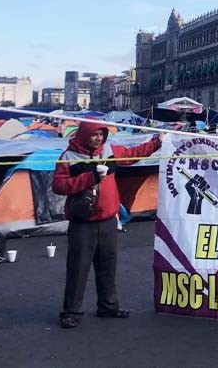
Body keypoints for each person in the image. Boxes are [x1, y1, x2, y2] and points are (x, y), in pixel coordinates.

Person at [52, 121, 162, 329]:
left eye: (102, 134)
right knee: (78, 269)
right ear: (84, 135)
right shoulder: (68, 157)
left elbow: (133, 154)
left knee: (107, 267)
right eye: (95, 135)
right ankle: (71, 312)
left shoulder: (110, 150)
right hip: (82, 223)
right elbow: (58, 185)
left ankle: (108, 306)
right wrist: (89, 178)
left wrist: (158, 142)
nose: (99, 139)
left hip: (108, 220)